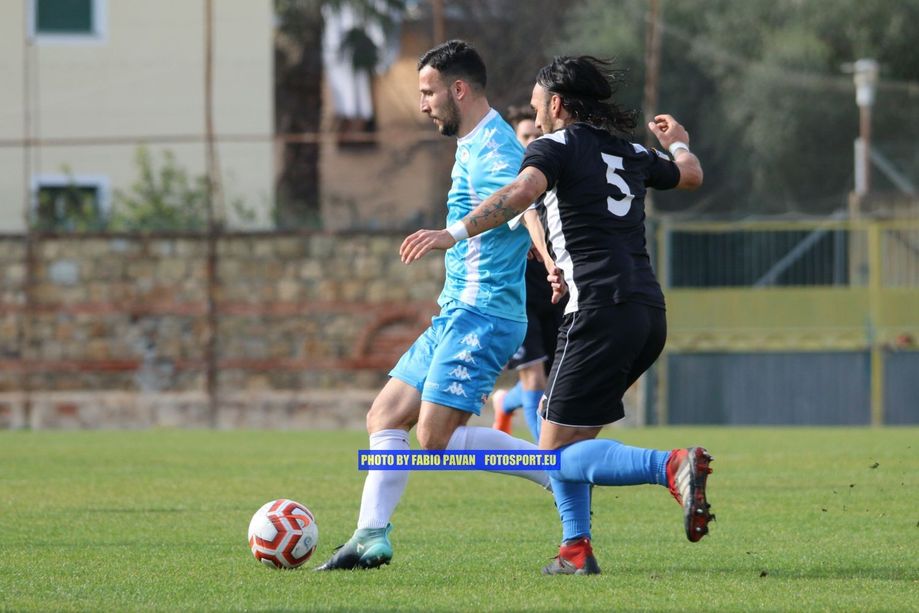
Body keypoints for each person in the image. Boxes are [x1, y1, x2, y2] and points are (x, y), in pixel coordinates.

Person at [400, 55, 714, 575]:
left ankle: (671, 465)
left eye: (539, 99)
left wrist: (451, 233)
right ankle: (575, 550)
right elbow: (690, 175)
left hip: (595, 309)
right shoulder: (631, 150)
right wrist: (677, 139)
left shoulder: (553, 147)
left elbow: (520, 193)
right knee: (563, 434)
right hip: (646, 313)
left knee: (552, 454)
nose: (535, 108)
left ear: (558, 104)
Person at [316, 40, 552, 571]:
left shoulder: (493, 147)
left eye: (428, 92)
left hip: (485, 313)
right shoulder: (472, 143)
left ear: (459, 89)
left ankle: (560, 472)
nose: (423, 104)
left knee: (433, 438)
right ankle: (370, 535)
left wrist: (452, 233)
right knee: (385, 415)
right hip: (456, 312)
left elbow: (520, 198)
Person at [491, 105, 566, 442]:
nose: (533, 142)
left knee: (551, 381)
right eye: (525, 137)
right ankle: (547, 462)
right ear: (514, 140)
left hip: (556, 288)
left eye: (538, 135)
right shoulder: (507, 182)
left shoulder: (560, 177)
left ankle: (507, 402)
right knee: (535, 378)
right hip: (516, 292)